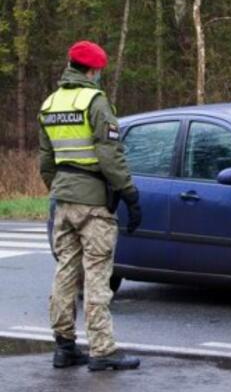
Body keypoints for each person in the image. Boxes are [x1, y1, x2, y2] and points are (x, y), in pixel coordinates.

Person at [38, 40, 141, 371]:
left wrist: (58, 189)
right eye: (99, 71)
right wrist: (129, 193)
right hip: (93, 202)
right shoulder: (95, 102)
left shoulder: (50, 103)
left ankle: (64, 346)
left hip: (63, 199)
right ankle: (102, 349)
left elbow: (46, 160)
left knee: (66, 271)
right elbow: (110, 154)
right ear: (93, 70)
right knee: (97, 273)